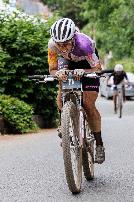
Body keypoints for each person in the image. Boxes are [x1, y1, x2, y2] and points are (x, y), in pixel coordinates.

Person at [47, 18, 105, 164]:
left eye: (66, 43)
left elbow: (98, 69)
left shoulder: (85, 44)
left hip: (87, 63)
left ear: (73, 38)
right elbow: (52, 70)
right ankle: (65, 125)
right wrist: (58, 73)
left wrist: (84, 70)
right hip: (67, 62)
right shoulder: (53, 46)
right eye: (60, 44)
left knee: (88, 104)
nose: (63, 47)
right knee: (61, 96)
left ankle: (99, 144)